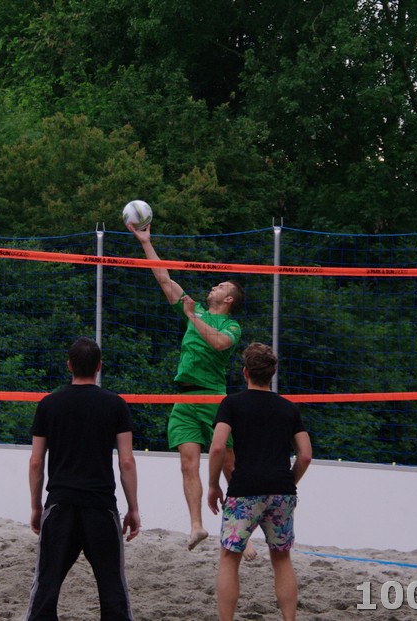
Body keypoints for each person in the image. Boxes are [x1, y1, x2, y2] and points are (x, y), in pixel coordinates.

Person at [129, 222, 243, 551]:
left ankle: (240, 530)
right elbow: (164, 279)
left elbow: (218, 343)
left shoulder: (231, 325)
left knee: (231, 467)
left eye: (221, 286)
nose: (214, 286)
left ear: (228, 298)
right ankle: (196, 526)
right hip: (185, 399)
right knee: (187, 464)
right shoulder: (196, 308)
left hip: (214, 399)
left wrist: (193, 317)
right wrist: (146, 242)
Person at [26, 337, 140, 620]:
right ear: (99, 366)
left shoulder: (49, 404)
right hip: (100, 505)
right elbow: (126, 461)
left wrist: (36, 506)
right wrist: (133, 508)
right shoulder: (115, 404)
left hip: (60, 504)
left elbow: (36, 462)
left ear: (69, 365)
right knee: (112, 588)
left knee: (46, 587)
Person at [207, 343, 312, 621]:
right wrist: (288, 482)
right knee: (282, 558)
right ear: (272, 373)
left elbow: (217, 447)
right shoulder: (289, 408)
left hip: (245, 491)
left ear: (245, 372)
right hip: (281, 491)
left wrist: (213, 485)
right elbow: (305, 455)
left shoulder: (232, 403)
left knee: (230, 558)